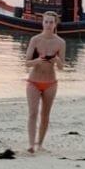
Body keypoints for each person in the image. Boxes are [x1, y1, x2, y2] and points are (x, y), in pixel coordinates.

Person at [25, 11, 65, 153]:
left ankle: (40, 144)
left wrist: (57, 60)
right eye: (46, 22)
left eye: (51, 22)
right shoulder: (35, 40)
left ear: (55, 24)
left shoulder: (60, 42)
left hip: (50, 82)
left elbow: (61, 66)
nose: (48, 25)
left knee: (45, 114)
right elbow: (27, 63)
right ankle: (31, 145)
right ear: (42, 23)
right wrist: (37, 60)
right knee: (33, 113)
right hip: (34, 81)